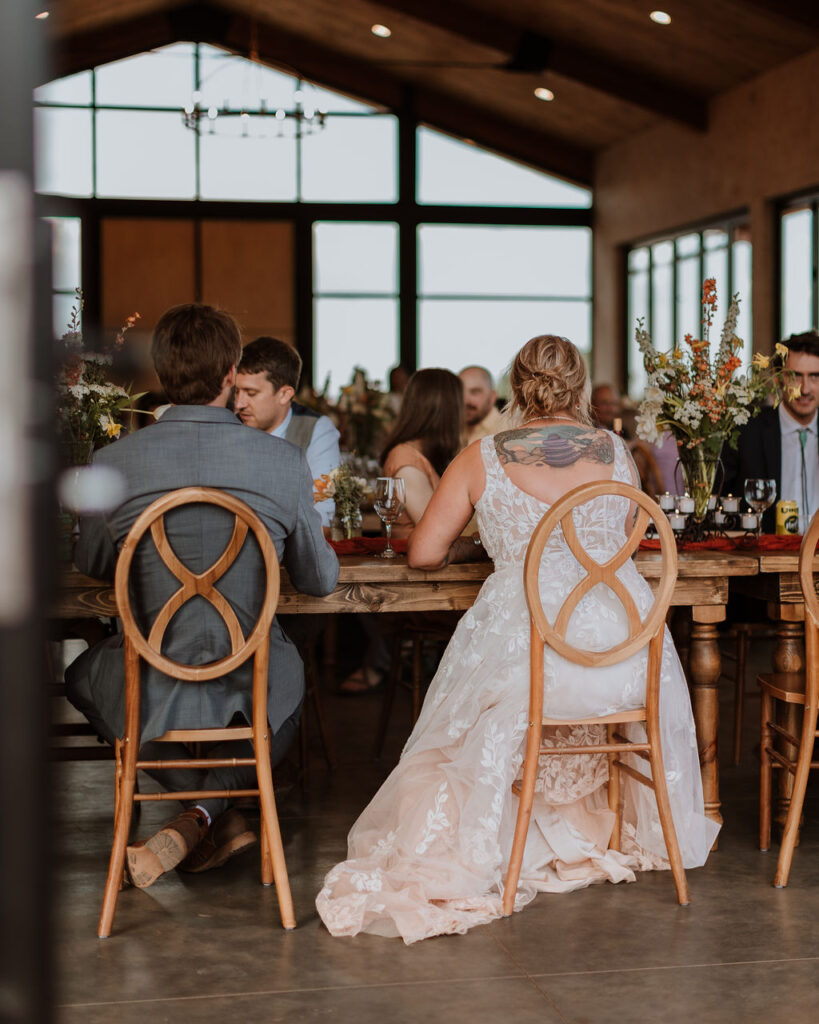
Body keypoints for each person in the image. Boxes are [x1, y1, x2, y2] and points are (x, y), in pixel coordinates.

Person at [317, 334, 718, 944]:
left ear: (516, 387)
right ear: (579, 386)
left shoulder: (482, 455)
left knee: (458, 719)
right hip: (626, 658)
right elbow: (625, 535)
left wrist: (489, 540)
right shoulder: (615, 450)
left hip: (536, 657)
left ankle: (492, 839)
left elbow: (423, 553)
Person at [66, 304, 339, 887]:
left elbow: (90, 562)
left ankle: (199, 815)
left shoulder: (110, 462)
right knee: (284, 695)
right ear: (229, 375)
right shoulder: (283, 461)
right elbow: (319, 580)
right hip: (250, 671)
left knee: (79, 678)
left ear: (161, 375)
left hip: (149, 671)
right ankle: (218, 811)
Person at [340, 368, 466, 693]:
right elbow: (435, 531)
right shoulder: (407, 461)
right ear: (446, 409)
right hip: (419, 588)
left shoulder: (422, 454)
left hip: (435, 576)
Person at [235, 336, 341, 527]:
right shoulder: (228, 424)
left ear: (285, 394)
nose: (239, 404)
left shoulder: (316, 429)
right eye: (236, 392)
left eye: (251, 394)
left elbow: (322, 518)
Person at [723, 331, 819, 533]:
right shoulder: (745, 430)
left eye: (815, 376)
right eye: (795, 376)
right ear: (778, 379)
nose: (805, 389)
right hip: (763, 558)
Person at [459, 365, 504, 444]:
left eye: (474, 392)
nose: (465, 400)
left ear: (492, 397)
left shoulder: (506, 431)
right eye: (460, 393)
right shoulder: (451, 430)